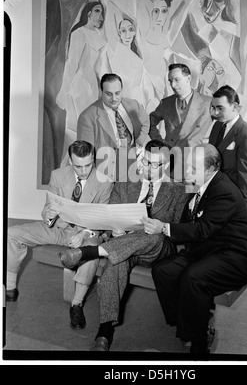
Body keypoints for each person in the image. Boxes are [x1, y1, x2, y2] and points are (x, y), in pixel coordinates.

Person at [59, 139, 189, 351]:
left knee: (153, 236)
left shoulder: (178, 191)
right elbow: (109, 216)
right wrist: (114, 229)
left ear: (165, 165)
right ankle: (104, 331)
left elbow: (179, 233)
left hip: (157, 249)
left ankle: (91, 252)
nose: (147, 168)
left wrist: (161, 227)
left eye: (154, 165)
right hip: (122, 246)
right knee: (115, 262)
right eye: (145, 162)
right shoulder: (126, 183)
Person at [144, 143, 247, 356]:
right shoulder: (199, 183)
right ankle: (187, 324)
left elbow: (203, 229)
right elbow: (192, 220)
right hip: (211, 248)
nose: (187, 172)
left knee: (193, 277)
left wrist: (165, 228)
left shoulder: (223, 190)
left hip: (237, 255)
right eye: (187, 166)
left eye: (193, 168)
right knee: (162, 271)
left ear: (210, 169)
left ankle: (199, 344)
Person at [6, 141, 113, 330]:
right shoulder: (57, 175)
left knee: (90, 252)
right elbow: (48, 208)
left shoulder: (105, 181)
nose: (83, 171)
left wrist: (83, 233)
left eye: (88, 165)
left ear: (93, 159)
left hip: (86, 233)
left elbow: (103, 224)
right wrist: (47, 216)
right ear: (70, 161)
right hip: (58, 228)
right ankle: (10, 287)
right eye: (78, 166)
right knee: (12, 233)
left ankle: (76, 304)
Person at [56, 1, 107, 165]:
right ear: (88, 13)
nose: (101, 16)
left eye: (102, 12)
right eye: (97, 11)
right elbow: (72, 64)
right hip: (80, 91)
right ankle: (67, 172)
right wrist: (63, 92)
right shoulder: (79, 33)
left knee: (91, 135)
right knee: (75, 133)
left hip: (95, 92)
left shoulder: (100, 36)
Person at [77, 73, 150, 182]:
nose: (114, 98)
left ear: (122, 90)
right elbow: (85, 155)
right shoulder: (87, 117)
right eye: (109, 94)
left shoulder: (133, 105)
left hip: (136, 171)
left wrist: (141, 139)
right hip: (108, 176)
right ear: (101, 91)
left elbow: (146, 121)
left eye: (117, 93)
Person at [149, 63, 212, 179]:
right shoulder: (166, 103)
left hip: (193, 166)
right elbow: (149, 123)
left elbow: (223, 126)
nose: (173, 85)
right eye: (170, 81)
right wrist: (160, 143)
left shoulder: (208, 103)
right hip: (170, 162)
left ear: (188, 78)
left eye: (177, 80)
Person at [208, 85, 247, 212]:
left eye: (220, 108)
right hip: (214, 195)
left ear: (235, 107)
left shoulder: (245, 134)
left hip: (232, 199)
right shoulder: (217, 126)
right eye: (213, 108)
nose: (216, 113)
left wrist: (243, 208)